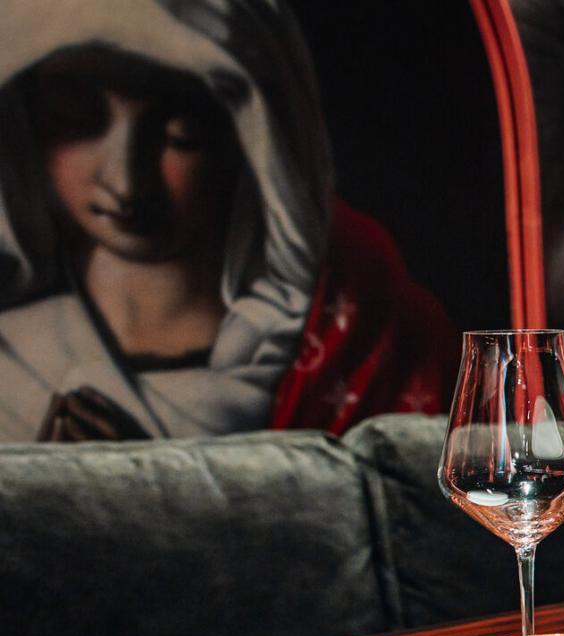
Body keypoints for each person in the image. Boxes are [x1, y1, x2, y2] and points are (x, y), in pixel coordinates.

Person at [0, 0, 456, 442]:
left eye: (183, 134)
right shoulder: (14, 352)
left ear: (254, 136)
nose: (125, 182)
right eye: (78, 119)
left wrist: (141, 482)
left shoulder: (363, 335)